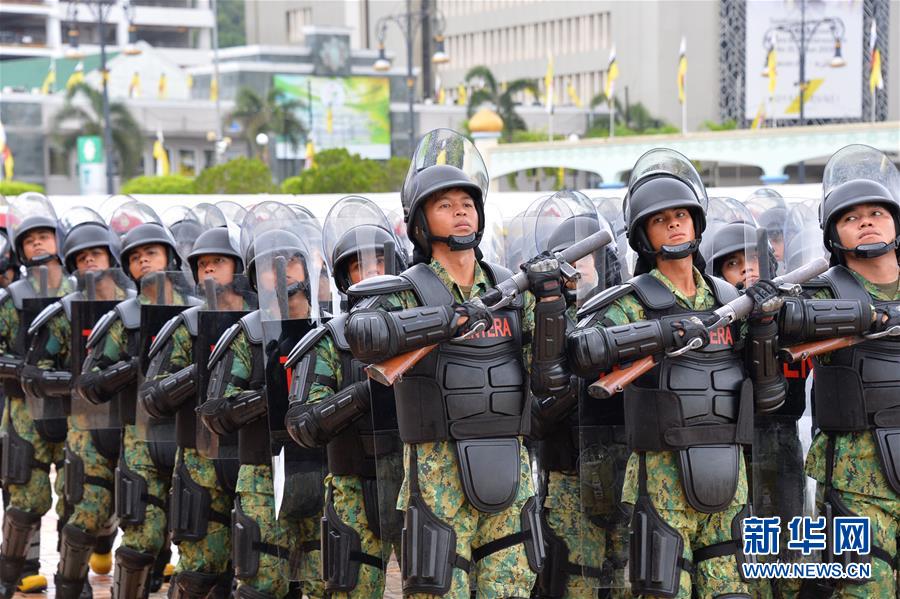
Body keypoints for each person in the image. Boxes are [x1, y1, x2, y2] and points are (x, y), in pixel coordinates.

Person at [566, 149, 787, 598]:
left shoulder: (727, 298)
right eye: (660, 218)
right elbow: (582, 350)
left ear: (697, 222)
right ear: (643, 235)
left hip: (729, 472)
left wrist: (763, 321)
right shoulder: (635, 298)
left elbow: (768, 395)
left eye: (682, 214)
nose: (674, 224)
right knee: (661, 590)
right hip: (660, 475)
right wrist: (659, 332)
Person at [344, 129, 551, 598]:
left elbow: (559, 360)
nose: (460, 211)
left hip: (509, 467)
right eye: (445, 204)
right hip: (437, 473)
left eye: (467, 202)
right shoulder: (408, 288)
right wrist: (445, 318)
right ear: (420, 223)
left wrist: (554, 297)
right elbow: (364, 334)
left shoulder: (508, 288)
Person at [777, 145, 900, 597]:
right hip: (855, 485)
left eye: (876, 212)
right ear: (833, 235)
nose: (866, 221)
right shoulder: (821, 294)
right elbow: (785, 323)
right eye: (851, 218)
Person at [284, 196, 407, 597]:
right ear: (344, 278)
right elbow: (303, 423)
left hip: (423, 482)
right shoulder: (332, 340)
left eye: (378, 262)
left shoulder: (423, 322)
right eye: (358, 264)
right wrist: (365, 391)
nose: (371, 271)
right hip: (354, 485)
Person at [199, 202, 321, 599]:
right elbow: (216, 412)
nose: (283, 269)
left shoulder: (329, 328)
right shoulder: (246, 335)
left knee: (328, 581)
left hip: (324, 474)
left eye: (291, 261)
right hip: (262, 474)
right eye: (271, 263)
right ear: (255, 277)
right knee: (262, 585)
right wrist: (267, 397)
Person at [77, 202, 198, 598]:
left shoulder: (198, 313)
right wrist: (132, 368)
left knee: (197, 541)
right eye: (135, 256)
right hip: (140, 436)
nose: (144, 260)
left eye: (152, 252)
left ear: (169, 256)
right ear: (127, 267)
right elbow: (91, 383)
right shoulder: (122, 317)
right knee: (142, 538)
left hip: (191, 438)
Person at [20, 208, 132, 599]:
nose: (88, 261)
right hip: (84, 424)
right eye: (81, 257)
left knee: (132, 516)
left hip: (135, 425)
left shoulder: (137, 310)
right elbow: (36, 373)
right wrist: (78, 383)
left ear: (111, 257)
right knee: (82, 513)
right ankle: (71, 585)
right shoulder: (65, 311)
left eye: (95, 254)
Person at [141, 222, 256, 598]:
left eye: (218, 261)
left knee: (256, 572)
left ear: (239, 267)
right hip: (199, 456)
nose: (208, 269)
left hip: (254, 458)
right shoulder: (186, 325)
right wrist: (199, 374)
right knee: (199, 573)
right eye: (202, 263)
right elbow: (153, 396)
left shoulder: (262, 322)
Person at [525, 191, 630, 599]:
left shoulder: (626, 315)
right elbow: (533, 414)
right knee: (576, 580)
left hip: (626, 473)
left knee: (626, 580)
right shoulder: (547, 324)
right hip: (569, 475)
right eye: (569, 263)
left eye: (585, 260)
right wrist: (577, 384)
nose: (578, 271)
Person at [0, 193, 74, 598]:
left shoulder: (82, 291)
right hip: (23, 409)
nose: (39, 244)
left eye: (45, 236)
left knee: (76, 497)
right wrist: (21, 370)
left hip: (76, 411)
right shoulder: (11, 299)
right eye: (31, 240)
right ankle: (10, 574)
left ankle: (72, 578)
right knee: (25, 498)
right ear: (21, 250)